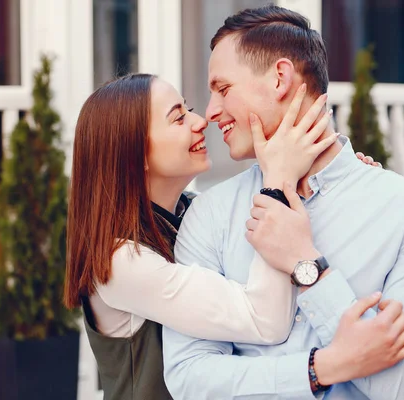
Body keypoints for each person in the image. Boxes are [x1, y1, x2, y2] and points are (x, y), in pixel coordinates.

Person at [162, 5, 404, 400]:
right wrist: (317, 370)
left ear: (280, 78)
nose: (209, 112)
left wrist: (307, 266)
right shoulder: (209, 216)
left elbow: (403, 388)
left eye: (223, 89)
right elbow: (189, 380)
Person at [63, 73, 379, 399]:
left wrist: (341, 180)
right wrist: (279, 176)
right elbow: (265, 321)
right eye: (178, 118)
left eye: (189, 110)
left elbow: (291, 236)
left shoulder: (195, 213)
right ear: (136, 154)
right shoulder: (121, 263)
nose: (200, 122)